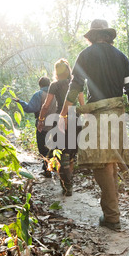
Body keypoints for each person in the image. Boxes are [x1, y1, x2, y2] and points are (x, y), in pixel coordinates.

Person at [58, 19, 129, 231]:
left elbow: (75, 87)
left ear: (92, 36)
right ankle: (110, 212)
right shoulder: (121, 56)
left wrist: (63, 113)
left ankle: (112, 217)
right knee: (110, 161)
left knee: (101, 164)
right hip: (118, 114)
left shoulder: (85, 55)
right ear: (108, 35)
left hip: (97, 115)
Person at [37, 59, 85, 196]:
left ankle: (66, 184)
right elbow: (82, 104)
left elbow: (46, 106)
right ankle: (69, 184)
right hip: (75, 120)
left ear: (56, 72)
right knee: (70, 154)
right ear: (68, 70)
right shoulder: (76, 85)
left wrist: (41, 120)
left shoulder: (54, 85)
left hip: (60, 120)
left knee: (60, 152)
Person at [13, 76, 54, 177]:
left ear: (40, 85)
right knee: (53, 146)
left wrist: (20, 102)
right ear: (49, 84)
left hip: (42, 125)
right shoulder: (55, 94)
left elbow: (29, 108)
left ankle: (47, 169)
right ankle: (53, 167)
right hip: (55, 124)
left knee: (42, 147)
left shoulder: (39, 94)